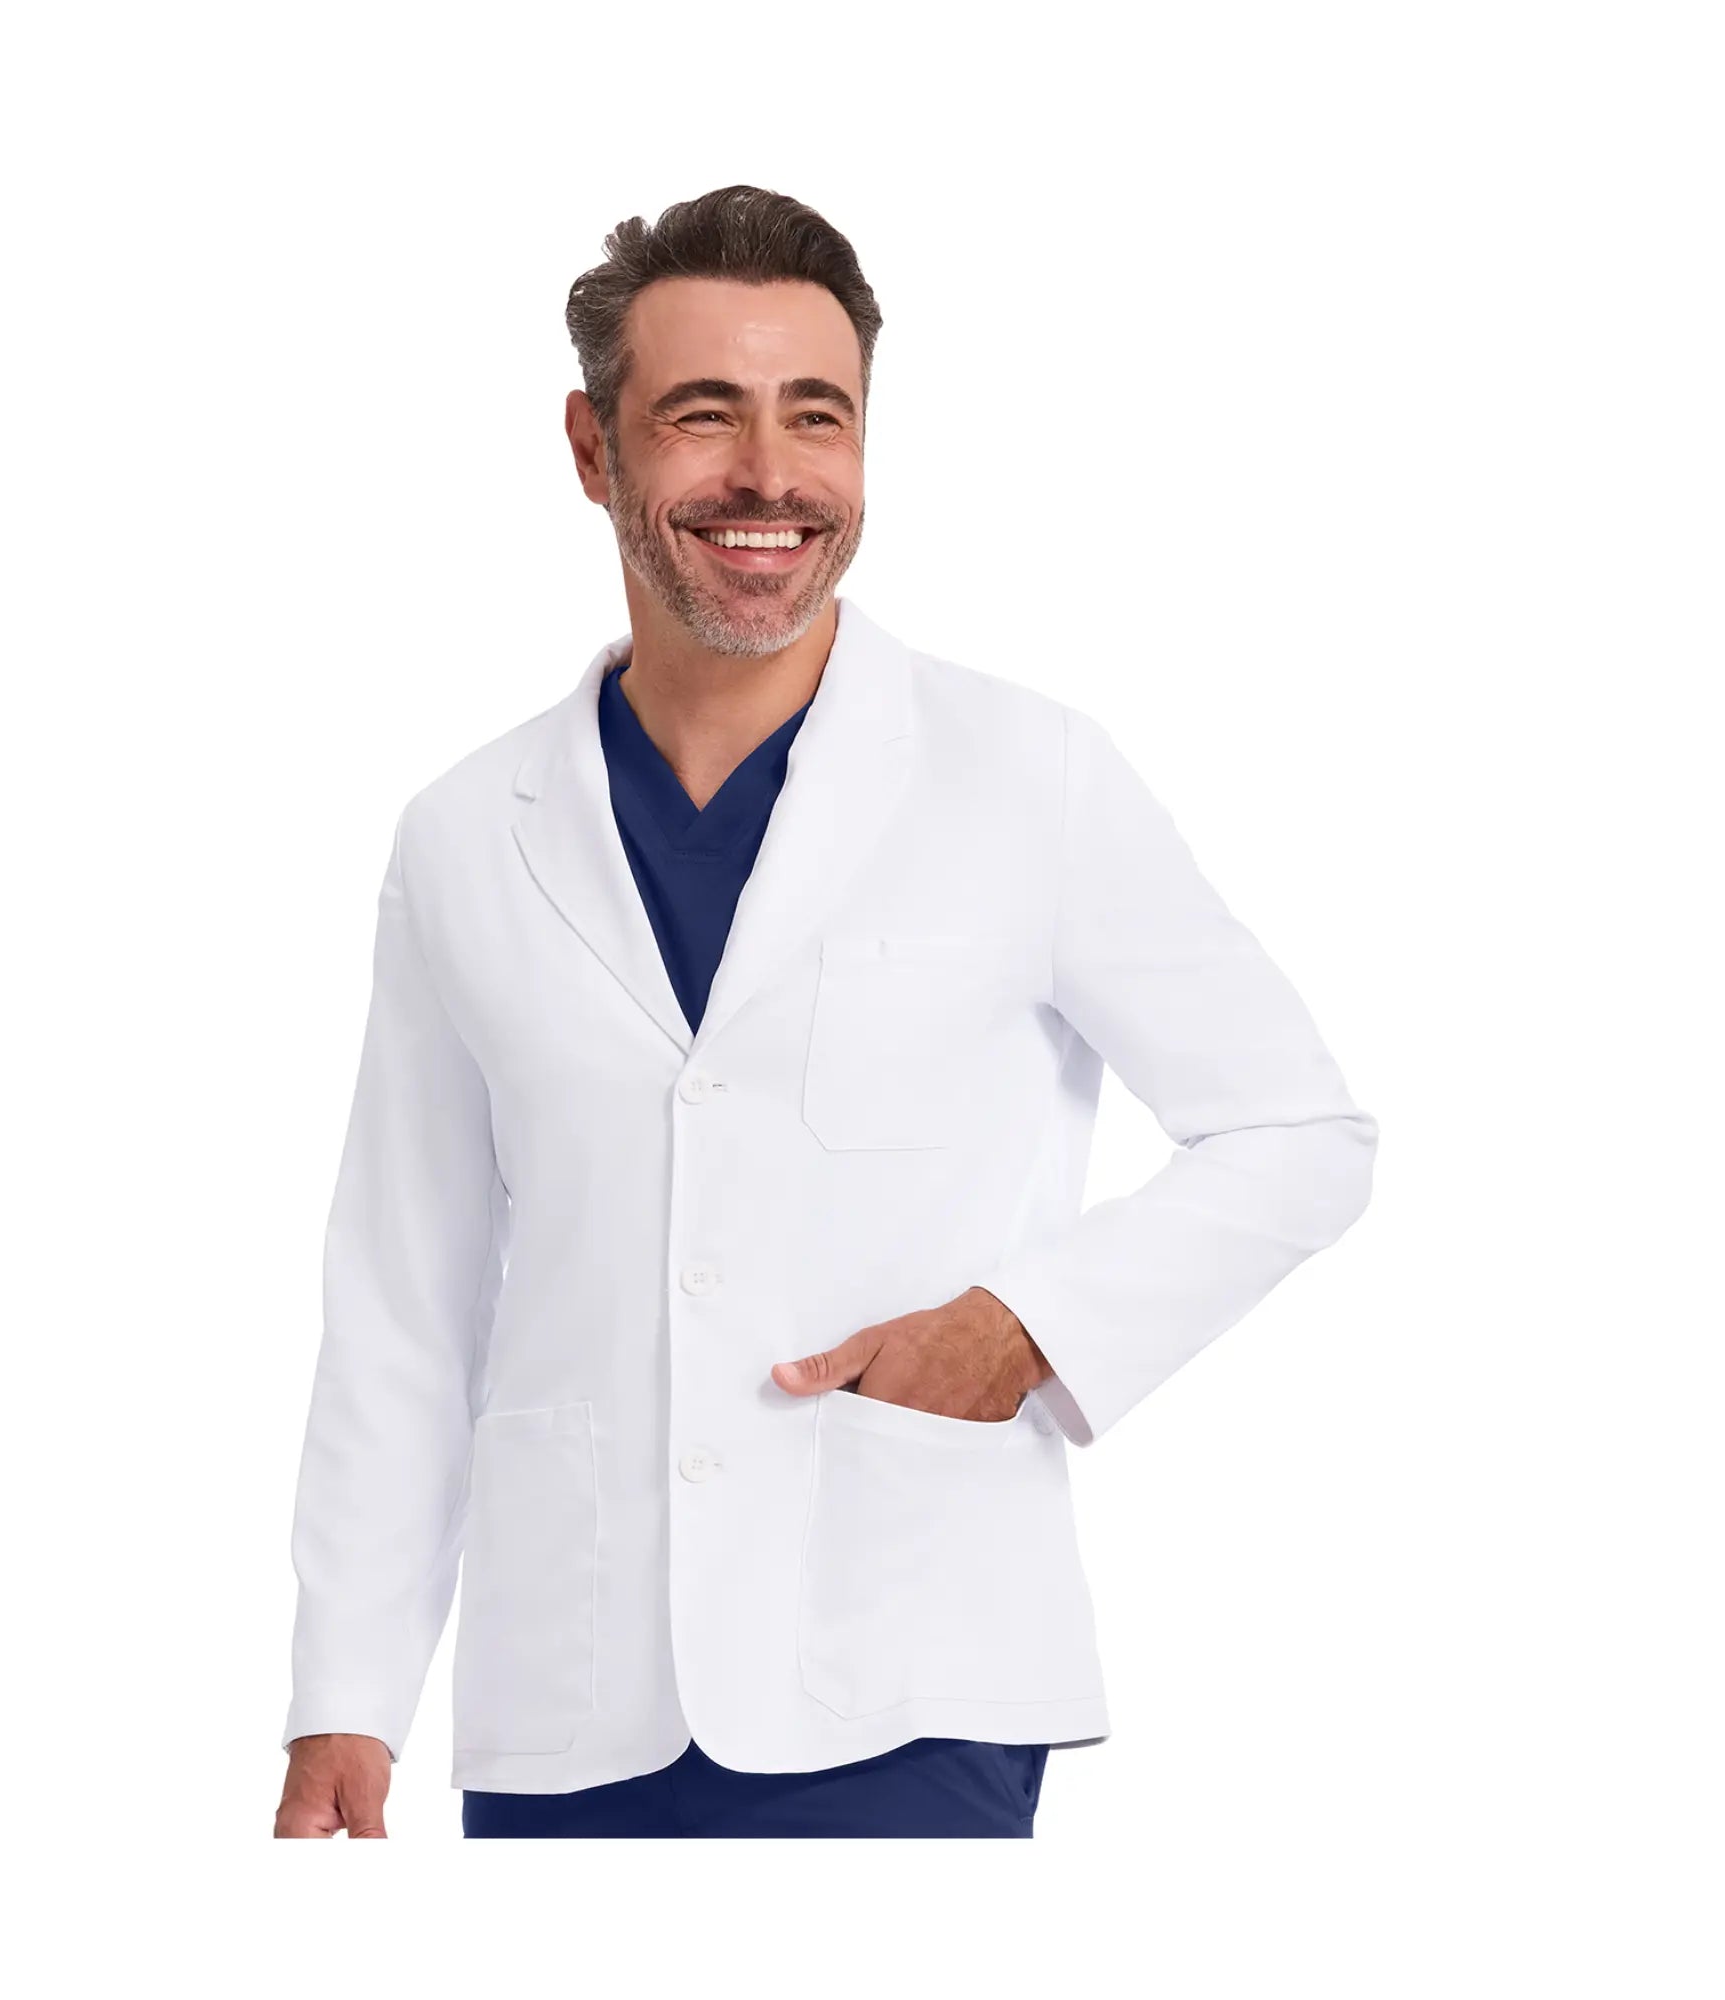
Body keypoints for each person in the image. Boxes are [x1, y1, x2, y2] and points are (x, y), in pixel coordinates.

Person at [272, 184, 1379, 1839]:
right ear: (591, 448)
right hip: (572, 1693)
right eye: (700, 415)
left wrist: (1024, 1327)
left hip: (909, 1664)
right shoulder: (463, 836)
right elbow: (404, 1298)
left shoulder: (1026, 777)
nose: (769, 476)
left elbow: (1300, 1133)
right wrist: (346, 1700)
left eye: (817, 416)